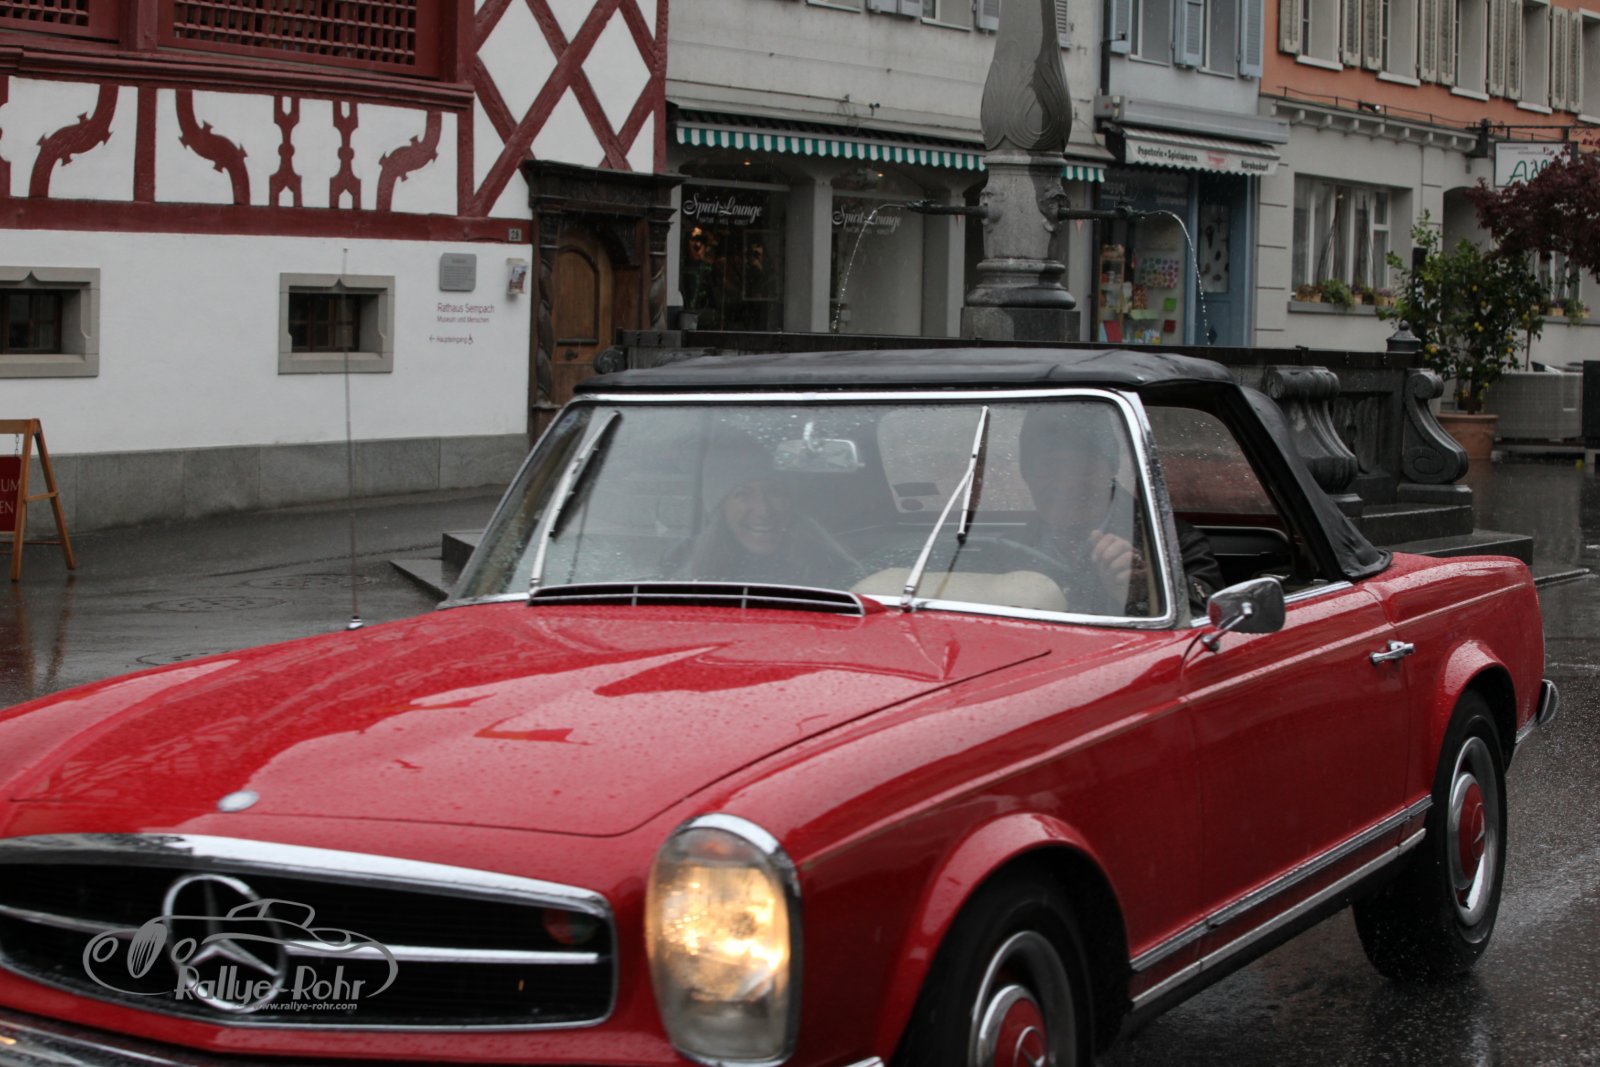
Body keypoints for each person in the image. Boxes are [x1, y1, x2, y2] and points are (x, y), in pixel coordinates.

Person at [1018, 406, 1223, 616]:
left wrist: (1146, 593)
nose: (1067, 484)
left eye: (1083, 468)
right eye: (1049, 468)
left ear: (1111, 468)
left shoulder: (1173, 544)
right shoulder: (1013, 546)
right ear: (1028, 476)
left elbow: (1208, 619)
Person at [672, 431, 857, 588]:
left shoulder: (832, 566)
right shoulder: (682, 562)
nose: (764, 511)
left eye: (775, 492)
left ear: (791, 502)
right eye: (743, 494)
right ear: (720, 507)